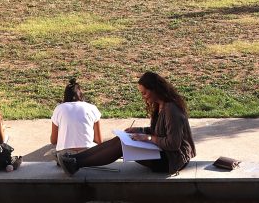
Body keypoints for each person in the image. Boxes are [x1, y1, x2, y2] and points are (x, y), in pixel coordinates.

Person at [59, 72, 196, 176]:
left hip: (173, 160)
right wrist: (139, 130)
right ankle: (74, 159)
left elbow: (173, 143)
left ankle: (76, 163)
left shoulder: (171, 109)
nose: (144, 97)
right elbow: (159, 130)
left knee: (122, 145)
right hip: (162, 152)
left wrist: (148, 138)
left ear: (155, 89)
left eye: (145, 93)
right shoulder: (160, 106)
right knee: (121, 139)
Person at [50, 77, 102, 165]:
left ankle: (69, 163)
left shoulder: (59, 109)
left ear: (65, 95)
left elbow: (53, 140)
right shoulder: (92, 108)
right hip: (89, 154)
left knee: (53, 152)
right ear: (81, 94)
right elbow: (99, 140)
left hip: (65, 154)